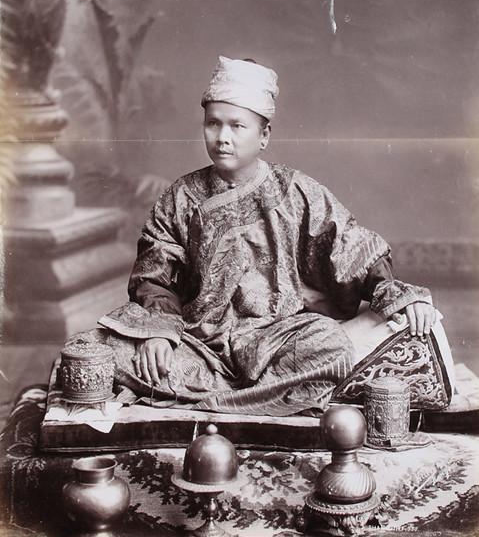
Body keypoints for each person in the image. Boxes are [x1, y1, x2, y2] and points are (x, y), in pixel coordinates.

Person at [75, 56, 453, 416]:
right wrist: (158, 333)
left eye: (237, 126)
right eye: (213, 123)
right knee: (86, 352)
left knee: (332, 346)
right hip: (198, 343)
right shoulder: (181, 196)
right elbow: (153, 279)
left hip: (277, 339)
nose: (223, 137)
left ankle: (214, 403)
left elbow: (353, 248)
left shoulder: (298, 192)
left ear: (264, 134)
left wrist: (397, 295)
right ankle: (265, 400)